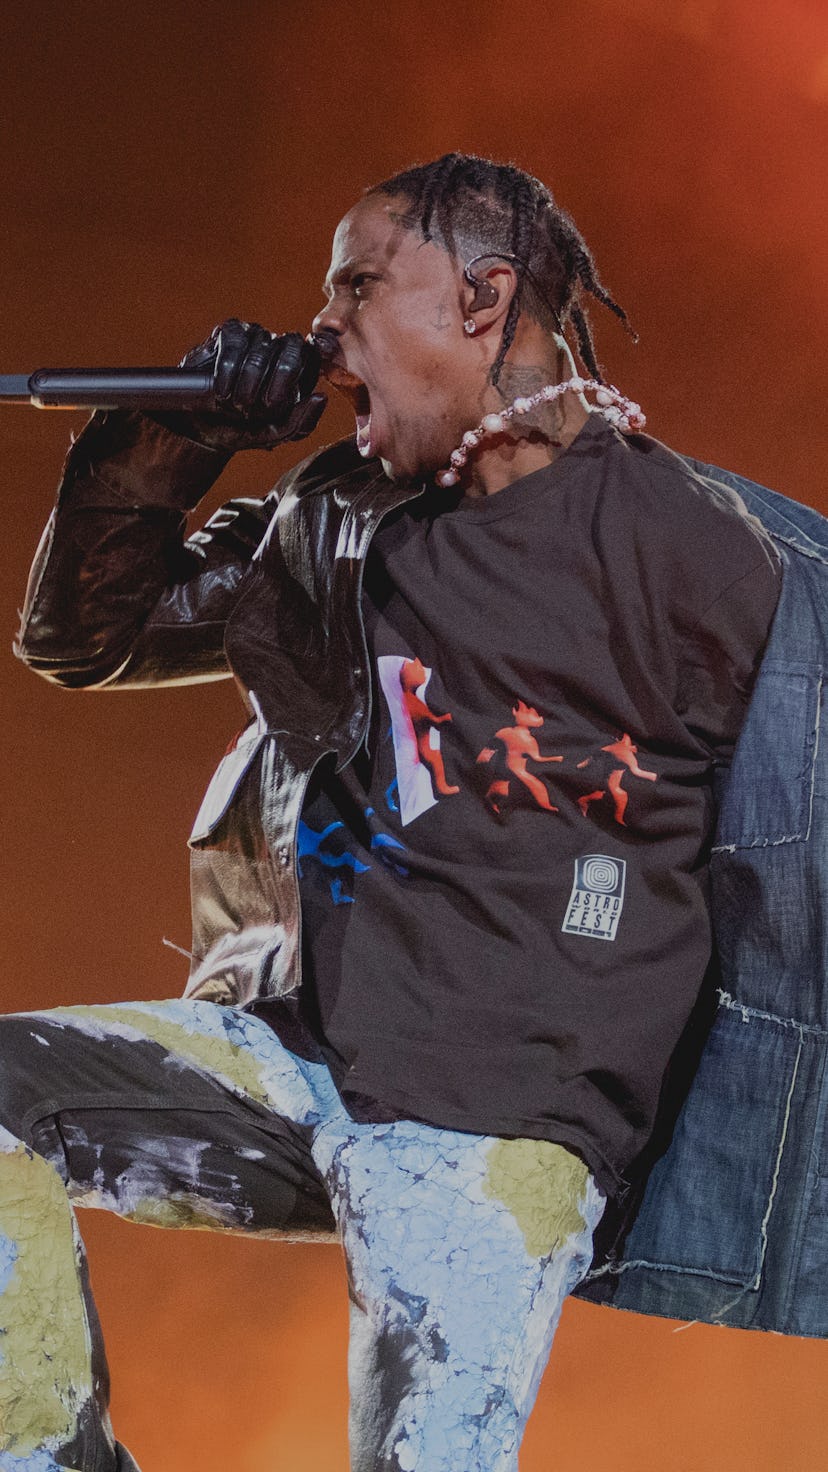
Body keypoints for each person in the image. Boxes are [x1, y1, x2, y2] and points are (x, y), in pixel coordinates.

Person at [1, 153, 782, 1472]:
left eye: (360, 289)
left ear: (482, 302)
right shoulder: (334, 519)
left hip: (500, 1127)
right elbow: (85, 637)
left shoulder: (690, 549)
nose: (326, 334)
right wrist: (172, 434)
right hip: (305, 1060)